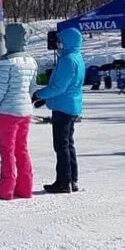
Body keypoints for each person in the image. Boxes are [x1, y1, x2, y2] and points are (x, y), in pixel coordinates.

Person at [0, 24, 39, 200]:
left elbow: (0, 89)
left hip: (8, 111)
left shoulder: (7, 61)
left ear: (11, 39)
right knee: (21, 149)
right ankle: (25, 187)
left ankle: (6, 188)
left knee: (7, 150)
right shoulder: (32, 61)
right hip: (25, 111)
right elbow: (32, 87)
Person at [34, 27, 85, 194]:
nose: (58, 44)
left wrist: (39, 94)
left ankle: (64, 182)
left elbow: (59, 87)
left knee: (61, 145)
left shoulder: (68, 60)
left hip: (63, 107)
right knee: (68, 144)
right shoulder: (76, 58)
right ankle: (72, 180)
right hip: (71, 105)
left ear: (67, 41)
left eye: (60, 41)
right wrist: (46, 99)